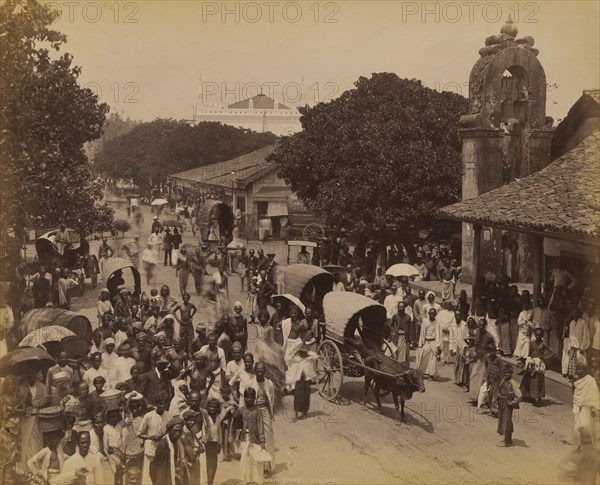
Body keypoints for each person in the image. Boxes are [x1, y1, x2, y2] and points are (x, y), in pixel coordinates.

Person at [138, 392, 172, 485]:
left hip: (163, 449)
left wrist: (162, 434)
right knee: (148, 475)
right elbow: (140, 433)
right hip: (151, 448)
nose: (162, 405)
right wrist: (151, 437)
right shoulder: (149, 416)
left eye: (164, 403)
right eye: (160, 403)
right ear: (156, 403)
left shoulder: (169, 415)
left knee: (160, 474)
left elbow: (171, 431)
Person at [248, 362, 275, 476]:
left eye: (262, 371)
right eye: (257, 371)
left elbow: (271, 399)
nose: (259, 373)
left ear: (265, 372)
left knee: (268, 437)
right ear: (255, 372)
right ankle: (257, 467)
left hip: (265, 411)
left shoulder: (269, 383)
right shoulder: (251, 383)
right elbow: (246, 398)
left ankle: (267, 466)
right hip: (254, 411)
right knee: (256, 438)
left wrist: (270, 414)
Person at [239, 388, 267, 485]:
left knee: (256, 459)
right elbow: (237, 423)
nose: (248, 399)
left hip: (255, 438)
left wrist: (262, 441)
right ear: (244, 398)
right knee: (245, 458)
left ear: (254, 398)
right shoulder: (242, 410)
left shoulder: (258, 410)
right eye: (247, 397)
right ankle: (245, 479)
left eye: (251, 397)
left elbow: (260, 425)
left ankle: (257, 480)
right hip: (245, 438)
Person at [520, 328, 554, 406]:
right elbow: (529, 353)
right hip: (532, 363)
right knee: (530, 379)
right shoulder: (532, 343)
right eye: (537, 335)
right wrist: (528, 361)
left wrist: (544, 358)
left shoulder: (543, 344)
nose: (538, 336)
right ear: (535, 335)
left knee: (539, 381)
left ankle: (539, 398)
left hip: (539, 364)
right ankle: (530, 397)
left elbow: (553, 352)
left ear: (542, 335)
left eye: (540, 335)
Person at [149, 416, 188, 485]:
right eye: (175, 430)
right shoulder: (164, 445)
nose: (177, 434)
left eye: (180, 431)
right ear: (169, 430)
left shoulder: (176, 442)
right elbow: (154, 466)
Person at [496, 365, 522, 447]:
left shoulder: (513, 383)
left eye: (508, 373)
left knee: (506, 422)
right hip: (501, 403)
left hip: (507, 404)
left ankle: (506, 441)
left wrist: (513, 402)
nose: (506, 374)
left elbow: (519, 395)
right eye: (505, 373)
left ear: (511, 373)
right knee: (503, 421)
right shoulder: (503, 380)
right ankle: (509, 439)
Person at [416, 308, 441, 380]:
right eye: (431, 313)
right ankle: (422, 372)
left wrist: (438, 346)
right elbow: (422, 333)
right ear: (429, 314)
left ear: (435, 314)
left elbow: (438, 335)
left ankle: (431, 375)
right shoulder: (425, 321)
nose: (432, 315)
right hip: (426, 342)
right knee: (422, 356)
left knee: (433, 359)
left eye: (433, 313)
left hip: (433, 343)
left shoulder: (437, 323)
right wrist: (421, 343)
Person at [514, 301, 534, 366]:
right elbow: (519, 322)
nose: (525, 306)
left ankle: (525, 357)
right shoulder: (522, 313)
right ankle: (521, 357)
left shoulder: (531, 312)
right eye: (524, 305)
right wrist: (524, 321)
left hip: (528, 332)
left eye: (527, 305)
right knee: (520, 344)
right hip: (522, 332)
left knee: (527, 345)